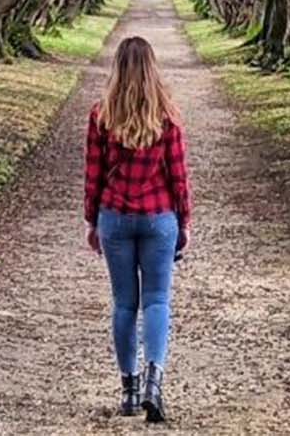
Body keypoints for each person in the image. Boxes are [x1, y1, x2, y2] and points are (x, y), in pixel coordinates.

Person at [84, 35, 191, 422]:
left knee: (125, 304)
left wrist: (91, 220)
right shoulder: (167, 115)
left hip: (114, 216)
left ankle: (129, 389)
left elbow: (93, 176)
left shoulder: (102, 115)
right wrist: (185, 221)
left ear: (117, 69)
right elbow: (178, 177)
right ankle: (154, 382)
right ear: (152, 69)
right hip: (160, 217)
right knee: (158, 301)